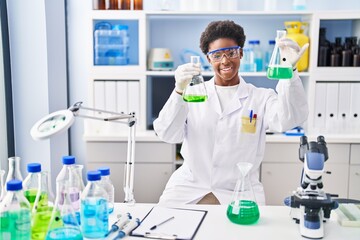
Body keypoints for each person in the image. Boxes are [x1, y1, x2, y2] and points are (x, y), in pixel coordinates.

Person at [153, 20, 309, 205]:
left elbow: (290, 119)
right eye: (217, 55)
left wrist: (289, 72)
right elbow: (167, 134)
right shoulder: (193, 94)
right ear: (208, 59)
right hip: (190, 186)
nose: (225, 60)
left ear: (241, 53)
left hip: (241, 189)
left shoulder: (261, 97)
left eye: (231, 52)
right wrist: (179, 91)